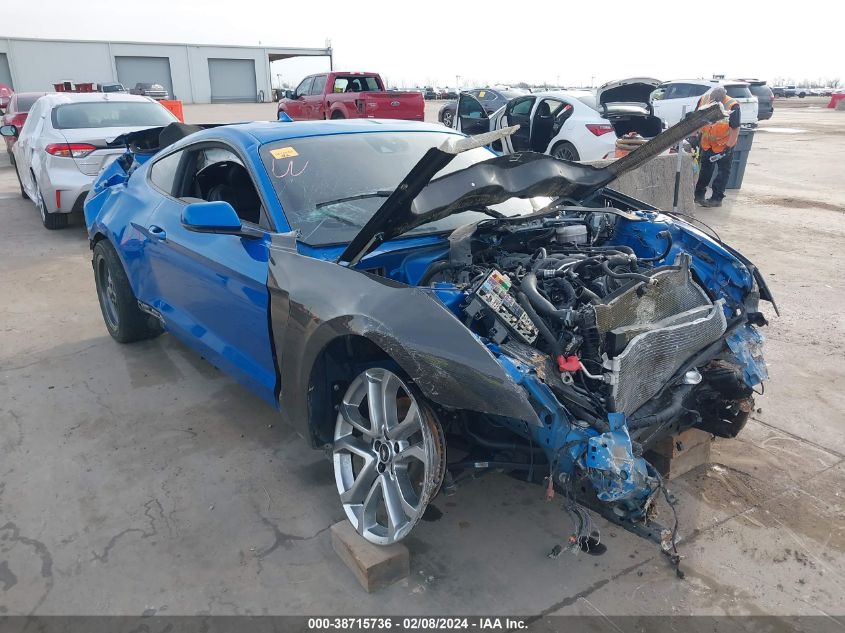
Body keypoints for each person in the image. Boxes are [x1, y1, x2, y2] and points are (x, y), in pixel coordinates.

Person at [694, 86, 741, 208]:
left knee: (722, 173)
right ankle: (698, 195)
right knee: (705, 171)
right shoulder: (703, 100)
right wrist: (695, 136)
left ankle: (716, 198)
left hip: (723, 145)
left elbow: (735, 128)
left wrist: (729, 147)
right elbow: (696, 119)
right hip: (707, 143)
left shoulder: (732, 105)